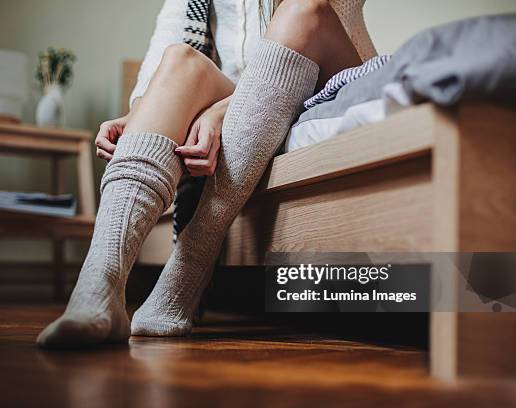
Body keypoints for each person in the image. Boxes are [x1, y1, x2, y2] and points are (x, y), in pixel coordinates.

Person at [37, 0, 377, 348]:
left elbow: (311, 35)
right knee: (179, 60)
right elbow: (160, 58)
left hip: (325, 78)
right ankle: (100, 284)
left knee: (302, 10)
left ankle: (188, 270)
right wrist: (138, 116)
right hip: (247, 98)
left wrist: (219, 112)